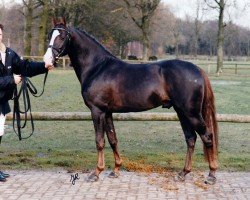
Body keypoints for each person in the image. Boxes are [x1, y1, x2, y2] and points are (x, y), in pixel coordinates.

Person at [0, 23, 53, 182]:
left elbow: (25, 67)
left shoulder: (8, 53)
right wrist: (11, 80)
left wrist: (44, 66)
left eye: (0, 34)